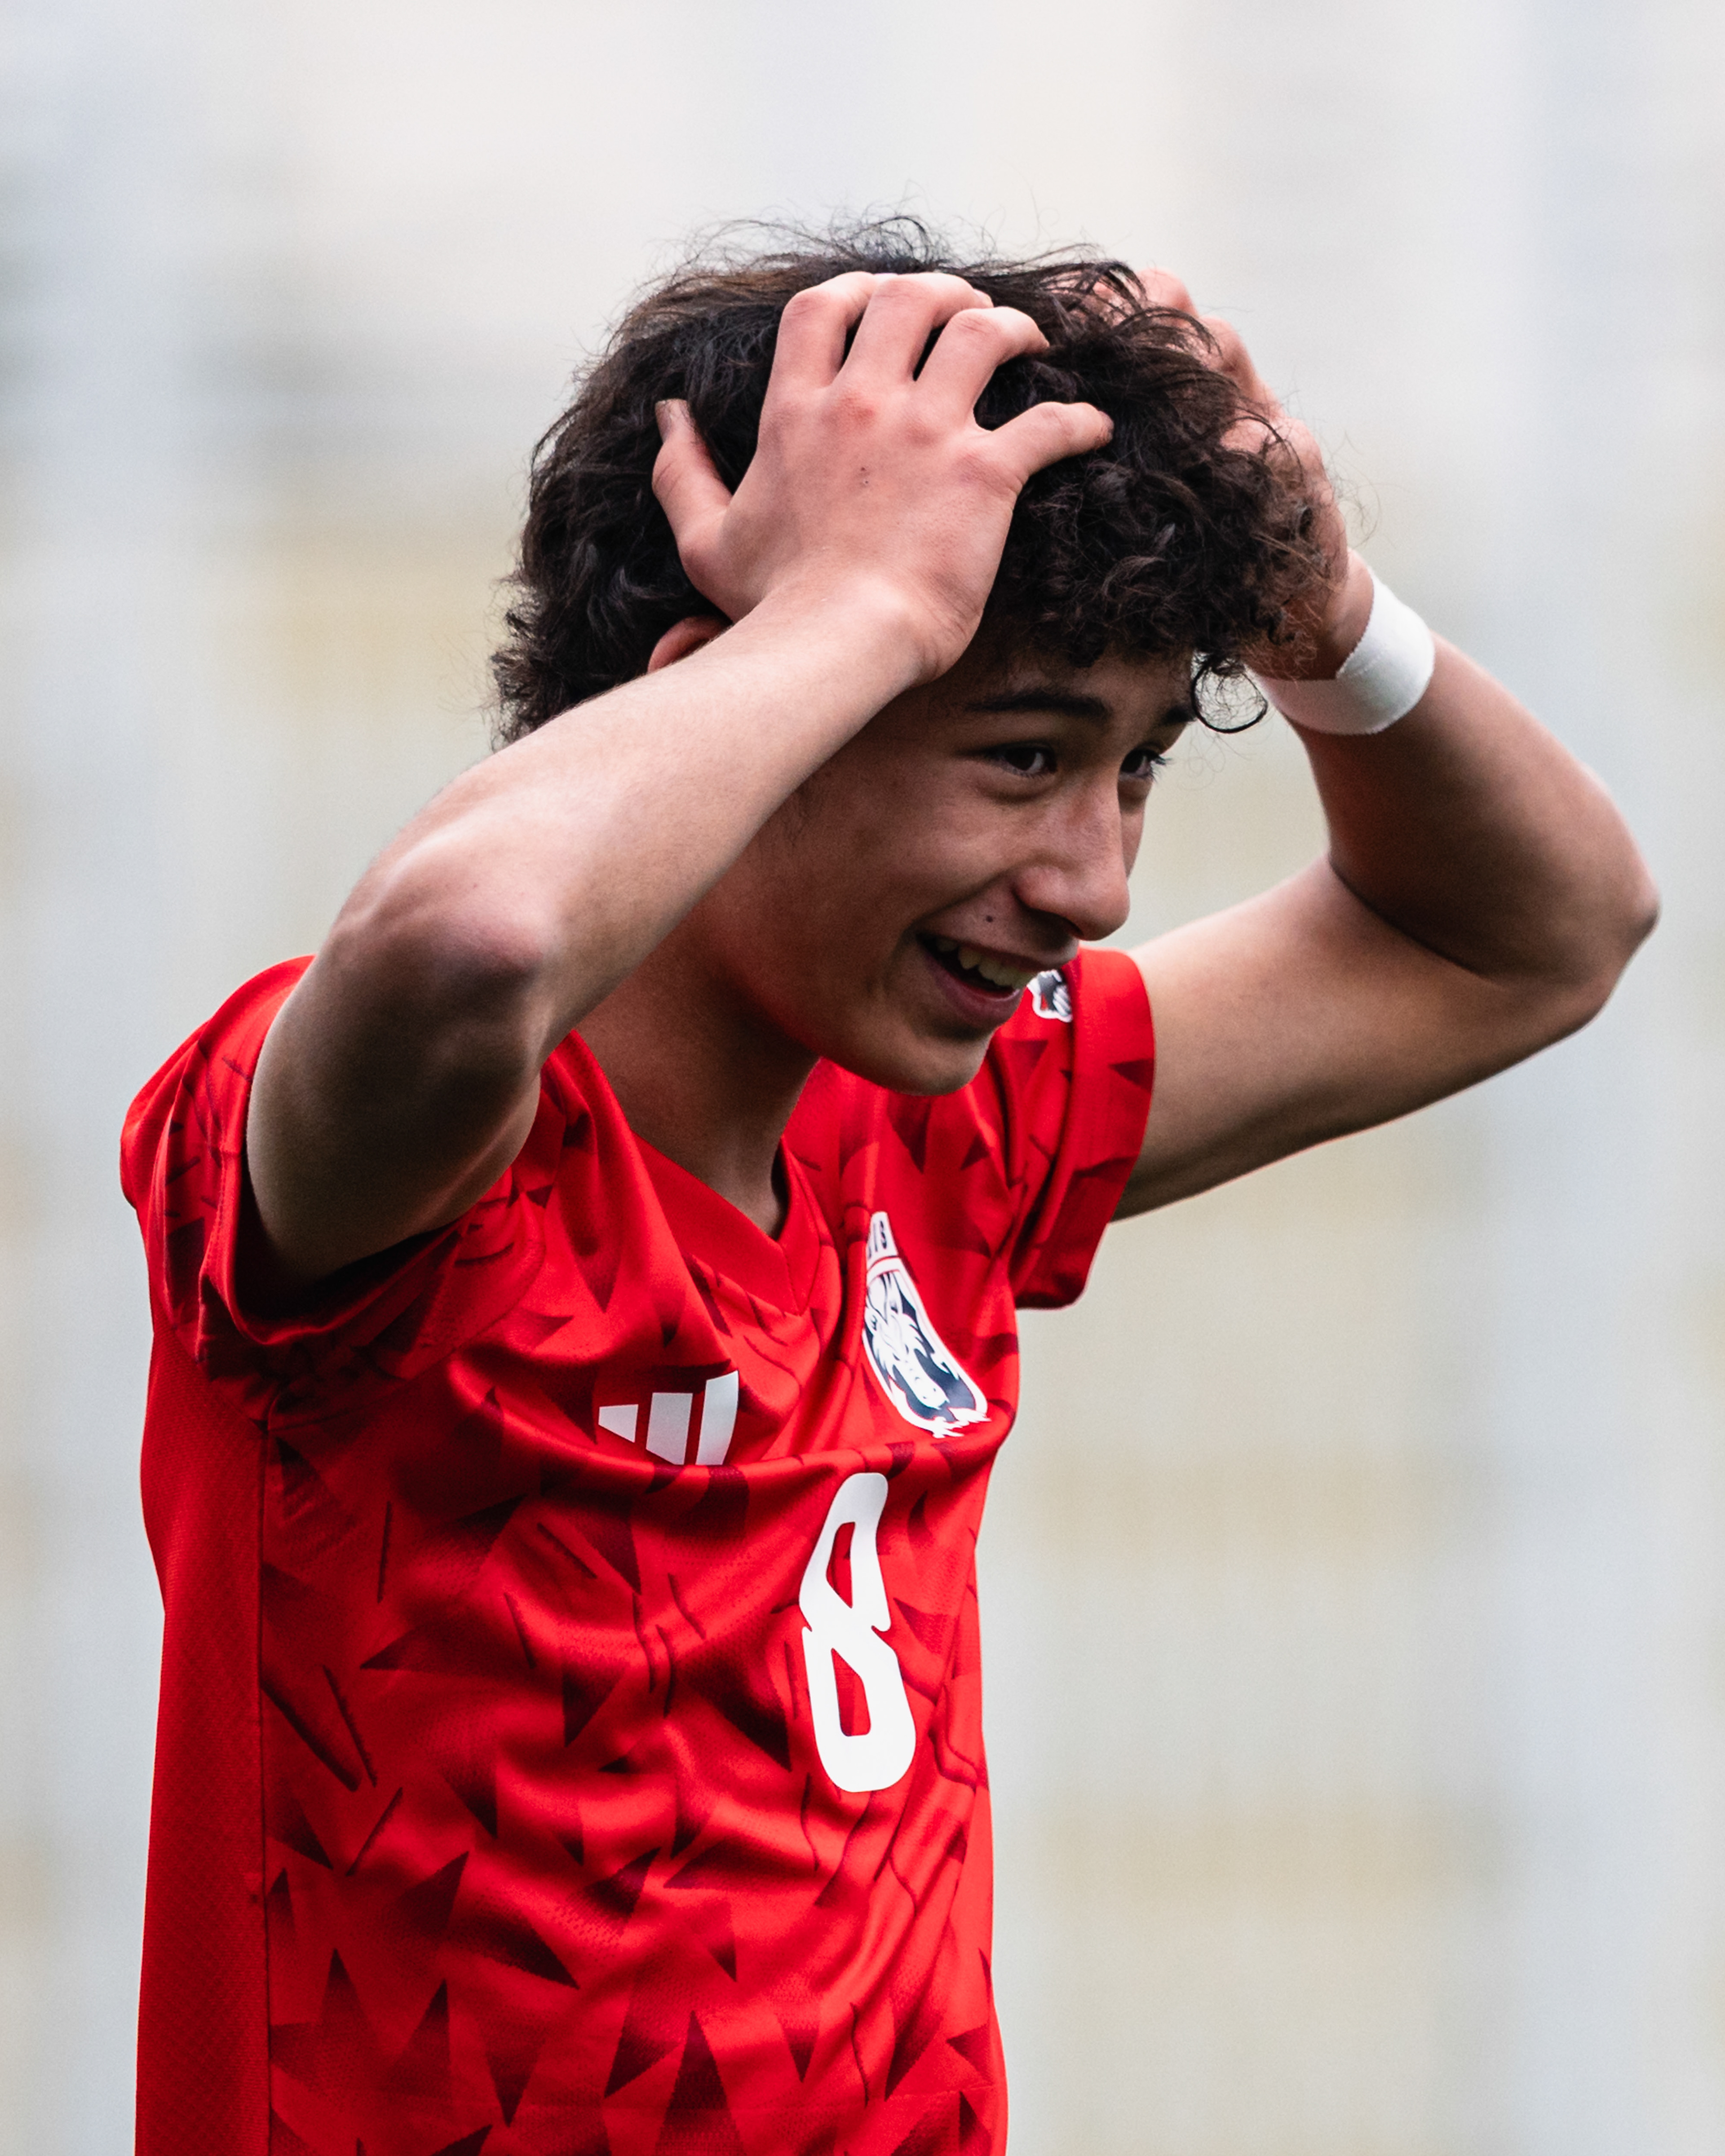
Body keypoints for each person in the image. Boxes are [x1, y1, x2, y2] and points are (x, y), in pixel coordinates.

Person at [121, 223, 1656, 2156]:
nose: (1098, 878)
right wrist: (851, 617)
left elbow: (1543, 933)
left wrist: (1327, 610)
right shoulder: (393, 1158)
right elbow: (475, 945)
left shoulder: (950, 1135)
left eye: (1134, 771)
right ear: (732, 700)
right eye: (1022, 756)